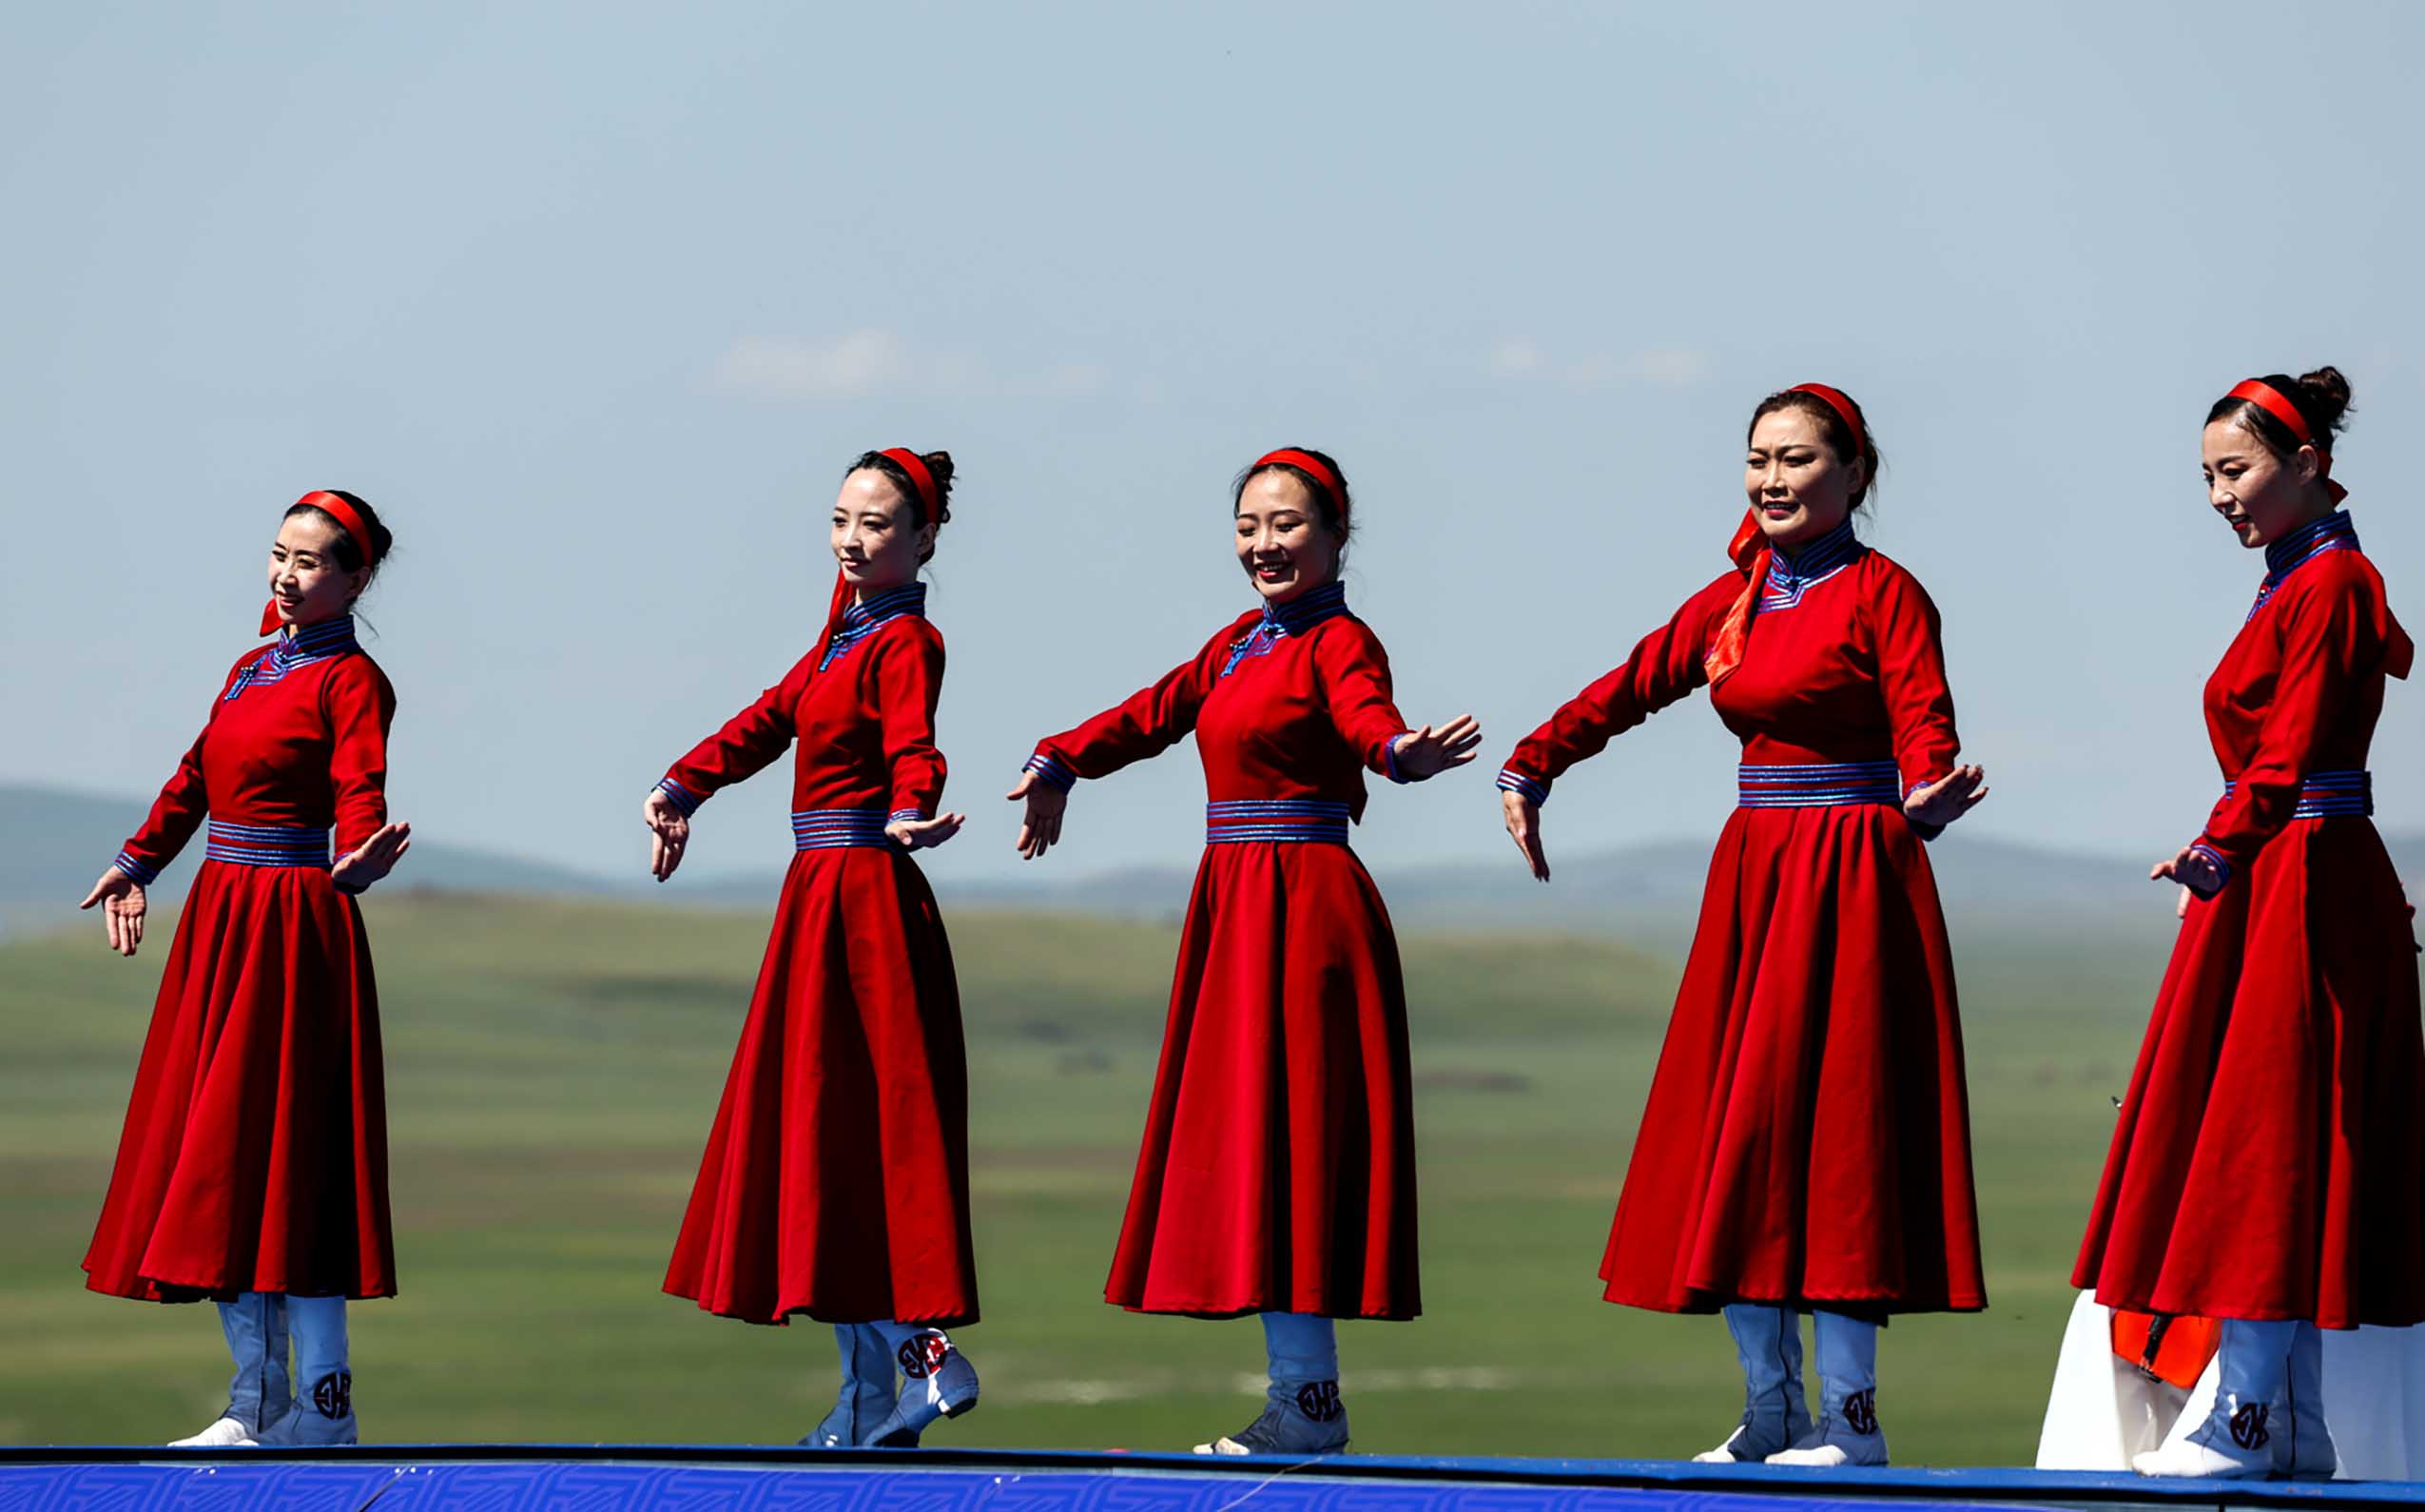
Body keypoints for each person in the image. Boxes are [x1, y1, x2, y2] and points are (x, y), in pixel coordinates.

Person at [1497, 386, 1988, 1467]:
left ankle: (1852, 1421)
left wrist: (1929, 793)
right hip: (1757, 882)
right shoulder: (1738, 599)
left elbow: (1925, 721)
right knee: (1746, 1139)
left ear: (1856, 475)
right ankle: (1770, 1409)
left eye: (1798, 459)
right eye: (1758, 459)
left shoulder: (1885, 594)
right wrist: (1532, 761)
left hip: (1856, 880)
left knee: (1841, 1145)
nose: (1771, 478)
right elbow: (1631, 684)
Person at [1007, 447, 1480, 1455]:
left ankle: (1306, 1406)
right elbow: (1154, 712)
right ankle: (1300, 1399)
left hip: (1304, 910)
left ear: (1336, 536)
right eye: (1249, 526)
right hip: (1235, 909)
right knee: (1252, 1145)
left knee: (1296, 1142)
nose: (1265, 544)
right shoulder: (1236, 645)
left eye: (1288, 525)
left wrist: (1402, 756)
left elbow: (1370, 724)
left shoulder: (1341, 641)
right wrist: (1060, 761)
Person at [2073, 368, 2423, 1480]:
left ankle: (2252, 1416)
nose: (2221, 495)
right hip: (2284, 872)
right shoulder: (2302, 581)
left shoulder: (2330, 586)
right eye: (2209, 478)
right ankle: (2293, 1424)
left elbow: (2294, 749)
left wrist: (2223, 843)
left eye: (2238, 471)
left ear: (2309, 464)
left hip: (2298, 875)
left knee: (2270, 1143)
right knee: (2277, 1138)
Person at [644, 449, 980, 1449]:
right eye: (842, 519)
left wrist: (913, 806)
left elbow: (915, 738)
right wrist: (682, 785)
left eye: (877, 524)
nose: (852, 539)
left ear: (923, 540)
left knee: (857, 1137)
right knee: (823, 1142)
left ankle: (919, 1356)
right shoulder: (837, 641)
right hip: (819, 899)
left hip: (862, 902)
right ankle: (871, 1395)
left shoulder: (904, 641)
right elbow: (768, 721)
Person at [81, 490, 409, 1448]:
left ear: (356, 578)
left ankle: (314, 1406)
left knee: (281, 1157)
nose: (287, 575)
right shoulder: (251, 667)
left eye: (310, 562)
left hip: (292, 930)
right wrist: (139, 861)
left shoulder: (351, 679)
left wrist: (359, 850)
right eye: (280, 556)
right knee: (222, 1156)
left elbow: (362, 780)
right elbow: (197, 774)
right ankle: (263, 1399)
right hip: (222, 926)